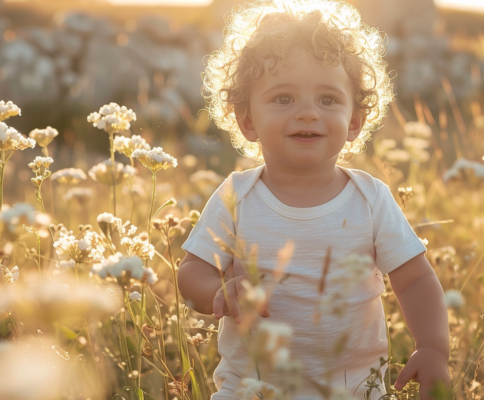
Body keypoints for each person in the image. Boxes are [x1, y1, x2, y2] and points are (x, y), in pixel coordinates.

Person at [177, 0, 451, 399]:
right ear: (247, 120)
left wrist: (432, 347)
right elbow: (191, 273)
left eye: (328, 99)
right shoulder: (237, 196)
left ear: (354, 121)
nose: (307, 113)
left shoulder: (370, 199)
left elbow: (415, 279)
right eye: (283, 98)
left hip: (353, 390)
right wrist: (219, 292)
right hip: (250, 388)